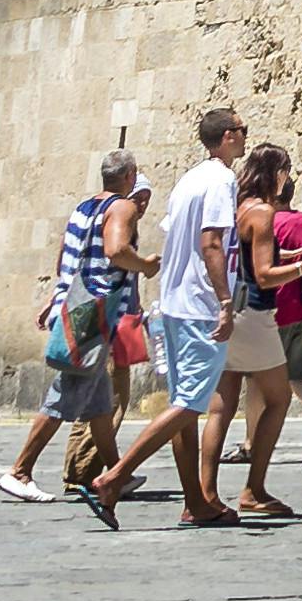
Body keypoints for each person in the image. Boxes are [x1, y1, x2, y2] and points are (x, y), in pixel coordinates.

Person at [98, 105, 250, 530]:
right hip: (201, 305)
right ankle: (113, 478)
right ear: (226, 137)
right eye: (241, 129)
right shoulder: (221, 180)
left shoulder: (189, 180)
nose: (245, 136)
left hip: (175, 303)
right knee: (190, 404)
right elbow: (211, 243)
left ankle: (196, 503)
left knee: (186, 402)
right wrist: (224, 302)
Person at [3, 149, 146, 502]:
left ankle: (115, 474)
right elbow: (116, 252)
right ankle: (20, 470)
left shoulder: (83, 209)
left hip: (76, 304)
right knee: (64, 396)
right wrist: (145, 265)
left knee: (99, 404)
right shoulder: (122, 207)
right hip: (95, 312)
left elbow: (65, 260)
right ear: (129, 177)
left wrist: (57, 297)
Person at [228, 141, 302, 516]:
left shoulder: (237, 206)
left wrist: (287, 257)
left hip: (231, 311)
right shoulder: (262, 212)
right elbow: (263, 276)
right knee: (278, 399)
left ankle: (205, 494)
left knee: (220, 408)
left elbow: (247, 258)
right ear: (278, 174)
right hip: (257, 315)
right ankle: (253, 489)